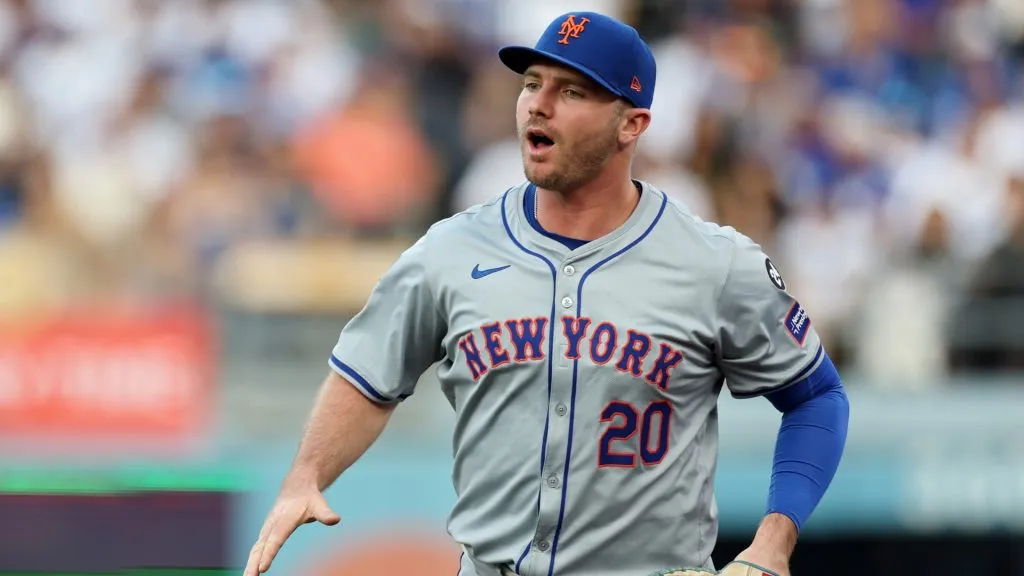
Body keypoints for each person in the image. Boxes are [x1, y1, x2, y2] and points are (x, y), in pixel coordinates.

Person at [243, 11, 850, 576]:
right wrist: (307, 474)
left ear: (631, 123)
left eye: (573, 92)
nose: (540, 105)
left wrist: (773, 542)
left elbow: (817, 396)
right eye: (532, 83)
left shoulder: (714, 264)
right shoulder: (451, 250)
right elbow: (367, 377)